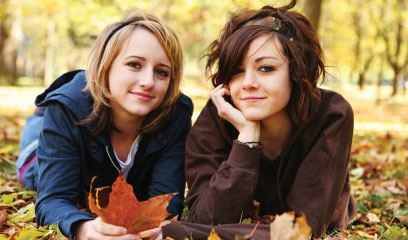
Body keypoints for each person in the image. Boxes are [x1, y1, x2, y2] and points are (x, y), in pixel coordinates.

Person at [160, 0, 357, 239]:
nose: (248, 83)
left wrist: (177, 233)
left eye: (265, 68)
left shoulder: (331, 115)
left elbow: (303, 229)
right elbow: (207, 219)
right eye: (237, 70)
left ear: (296, 72)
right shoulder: (217, 116)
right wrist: (246, 140)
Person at [16, 10, 193, 240]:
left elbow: (167, 197)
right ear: (106, 66)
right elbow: (53, 200)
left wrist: (156, 227)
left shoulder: (176, 115)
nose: (148, 82)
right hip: (47, 143)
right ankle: (40, 116)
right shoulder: (68, 109)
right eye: (134, 64)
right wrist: (85, 229)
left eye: (161, 72)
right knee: (31, 156)